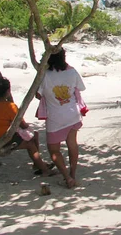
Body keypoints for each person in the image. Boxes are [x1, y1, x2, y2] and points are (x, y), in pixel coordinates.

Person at [0, 78, 54, 176]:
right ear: (7, 92)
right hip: (6, 139)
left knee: (34, 135)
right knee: (31, 144)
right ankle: (44, 170)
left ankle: (38, 164)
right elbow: (22, 125)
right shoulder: (9, 106)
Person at [37, 48, 86, 188]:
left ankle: (67, 177)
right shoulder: (72, 71)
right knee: (72, 144)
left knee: (53, 149)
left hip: (55, 116)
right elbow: (81, 88)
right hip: (72, 114)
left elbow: (38, 95)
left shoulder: (44, 75)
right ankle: (73, 174)